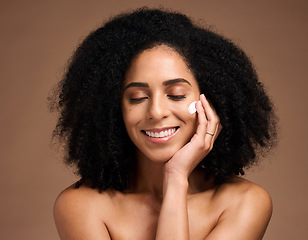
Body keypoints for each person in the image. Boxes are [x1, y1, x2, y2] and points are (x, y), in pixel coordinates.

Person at [51, 7, 277, 239]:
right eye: (137, 98)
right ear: (112, 107)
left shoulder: (245, 202)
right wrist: (177, 179)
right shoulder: (81, 205)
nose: (156, 112)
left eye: (177, 94)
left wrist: (176, 177)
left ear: (211, 100)